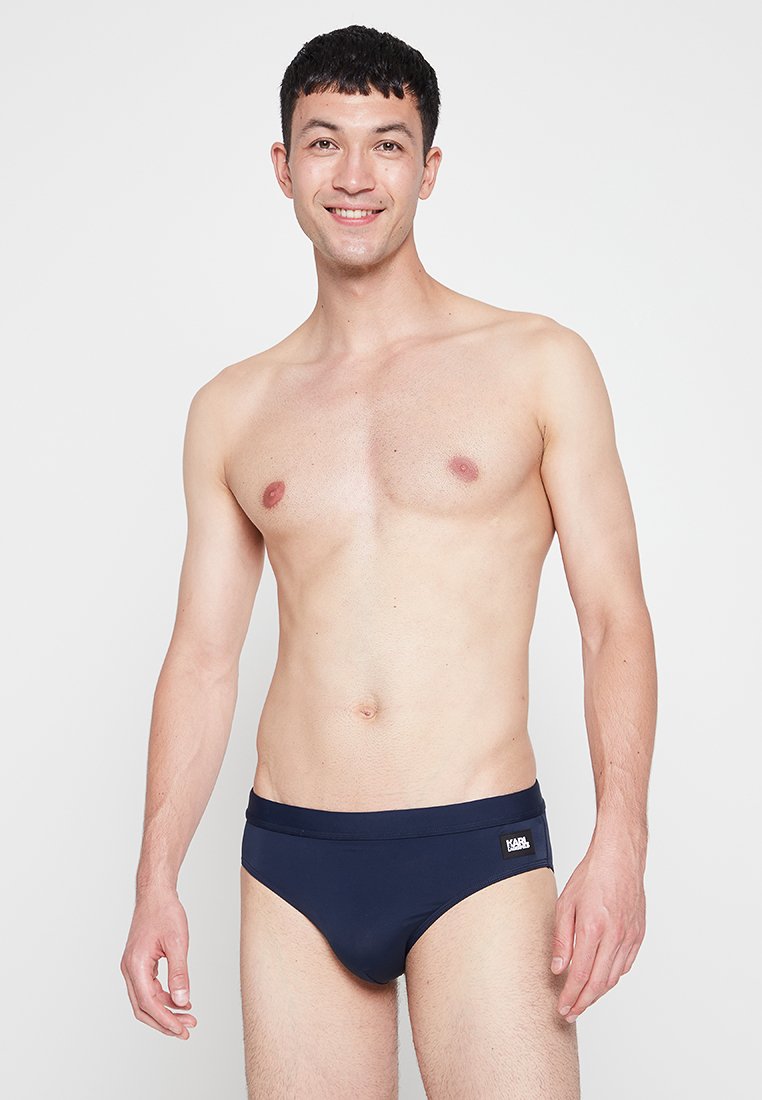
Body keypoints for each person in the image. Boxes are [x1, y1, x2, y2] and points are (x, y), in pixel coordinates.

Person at [120, 23, 656, 1099]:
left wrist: (622, 843)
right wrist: (154, 876)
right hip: (292, 858)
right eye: (325, 142)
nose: (356, 176)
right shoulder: (233, 408)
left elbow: (614, 619)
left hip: (478, 849)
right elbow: (203, 657)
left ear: (430, 167)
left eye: (388, 144)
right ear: (284, 167)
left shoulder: (538, 364)